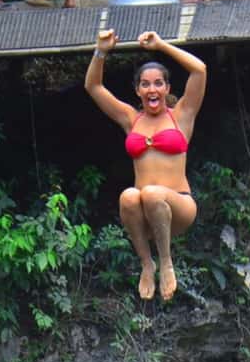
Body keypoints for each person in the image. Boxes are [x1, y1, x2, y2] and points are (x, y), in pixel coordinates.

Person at [84, 29, 205, 301]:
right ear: (138, 91)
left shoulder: (181, 116)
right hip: (145, 215)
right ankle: (147, 264)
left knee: (150, 193)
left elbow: (200, 70)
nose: (152, 89)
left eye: (159, 83)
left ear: (167, 89)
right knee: (129, 195)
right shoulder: (131, 119)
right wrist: (101, 50)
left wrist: (161, 45)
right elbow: (93, 87)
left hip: (179, 205)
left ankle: (166, 263)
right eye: (146, 84)